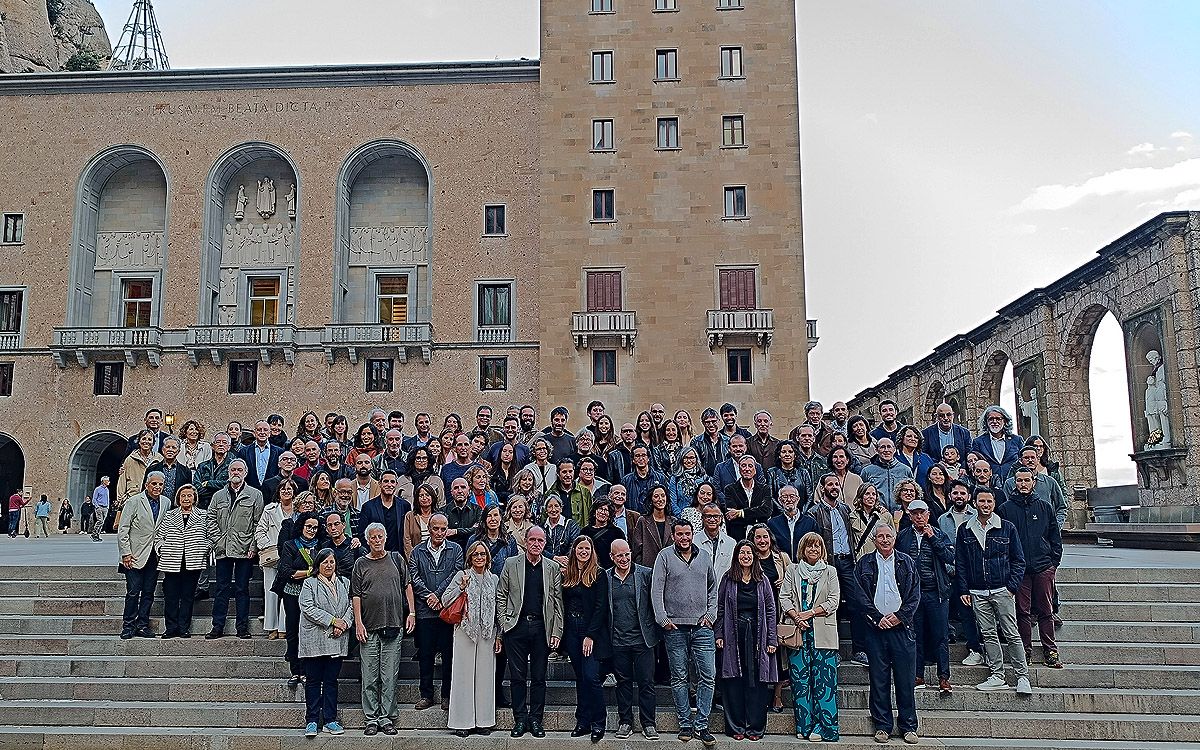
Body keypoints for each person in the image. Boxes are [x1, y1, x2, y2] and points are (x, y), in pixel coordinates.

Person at [954, 487, 1031, 695]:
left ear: (994, 503)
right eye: (981, 501)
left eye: (989, 501)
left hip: (1002, 589)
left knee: (1011, 633)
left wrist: (1012, 587)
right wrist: (963, 589)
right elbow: (960, 562)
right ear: (975, 502)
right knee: (988, 634)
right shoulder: (965, 529)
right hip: (978, 591)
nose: (985, 505)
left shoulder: (1007, 528)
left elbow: (1018, 560)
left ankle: (1022, 675)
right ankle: (998, 675)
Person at [651, 519, 718, 748]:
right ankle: (685, 724)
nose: (684, 537)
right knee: (679, 677)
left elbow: (712, 589)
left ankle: (702, 724)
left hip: (702, 628)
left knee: (707, 676)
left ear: (692, 534)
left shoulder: (704, 557)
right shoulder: (664, 557)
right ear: (673, 536)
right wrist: (663, 619)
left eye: (687, 533)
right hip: (675, 629)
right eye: (679, 534)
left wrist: (711, 616)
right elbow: (656, 589)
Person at [852, 524, 920, 745]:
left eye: (888, 536)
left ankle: (908, 726)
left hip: (902, 629)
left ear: (894, 538)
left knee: (905, 680)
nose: (884, 539)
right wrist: (876, 618)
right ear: (874, 540)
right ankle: (882, 726)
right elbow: (859, 596)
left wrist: (900, 616)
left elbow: (914, 595)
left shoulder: (907, 562)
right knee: (879, 680)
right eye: (880, 536)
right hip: (876, 629)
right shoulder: (864, 563)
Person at [497, 526, 564, 739]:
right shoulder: (511, 563)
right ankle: (520, 719)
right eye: (532, 539)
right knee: (517, 677)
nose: (536, 544)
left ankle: (536, 719)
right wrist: (505, 623)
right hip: (515, 628)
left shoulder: (552, 567)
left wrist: (556, 632)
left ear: (545, 544)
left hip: (541, 627)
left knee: (538, 677)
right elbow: (501, 595)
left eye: (540, 540)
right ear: (525, 542)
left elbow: (557, 602)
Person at [353, 522, 417, 736]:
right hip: (369, 628)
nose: (377, 540)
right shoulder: (360, 564)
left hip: (393, 625)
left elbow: (407, 585)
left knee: (389, 675)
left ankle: (386, 717)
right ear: (367, 540)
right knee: (370, 676)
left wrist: (412, 613)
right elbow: (356, 596)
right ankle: (371, 718)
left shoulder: (397, 559)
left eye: (380, 536)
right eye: (373, 537)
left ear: (386, 537)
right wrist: (358, 623)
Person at [998, 466, 1064, 669]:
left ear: (1034, 482)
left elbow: (1055, 537)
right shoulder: (1006, 509)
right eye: (1020, 481)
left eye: (1027, 480)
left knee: (1046, 610)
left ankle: (1050, 650)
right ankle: (1025, 650)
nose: (1023, 484)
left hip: (1043, 566)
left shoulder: (1044, 506)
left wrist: (1053, 563)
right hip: (1019, 570)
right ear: (1014, 483)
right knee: (1022, 611)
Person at [779, 531, 840, 742]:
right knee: (800, 681)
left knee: (824, 683)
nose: (813, 550)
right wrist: (796, 617)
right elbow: (784, 597)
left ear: (822, 549)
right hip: (798, 632)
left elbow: (834, 601)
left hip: (822, 632)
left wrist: (810, 613)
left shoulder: (830, 571)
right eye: (809, 546)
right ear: (802, 550)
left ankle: (826, 728)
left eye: (817, 546)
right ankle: (804, 726)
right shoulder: (792, 570)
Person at [715, 539, 778, 741]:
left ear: (754, 556)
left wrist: (771, 639)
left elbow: (770, 610)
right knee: (734, 681)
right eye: (742, 553)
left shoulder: (763, 580)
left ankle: (755, 727)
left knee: (757, 682)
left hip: (758, 637)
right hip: (733, 635)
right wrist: (719, 634)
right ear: (736, 556)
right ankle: (736, 727)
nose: (745, 556)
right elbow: (720, 608)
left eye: (749, 553)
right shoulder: (728, 578)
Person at [896, 499, 955, 694]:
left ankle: (944, 677)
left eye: (922, 513)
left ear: (928, 514)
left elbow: (949, 557)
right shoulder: (903, 536)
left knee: (941, 636)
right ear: (909, 516)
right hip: (913, 595)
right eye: (915, 513)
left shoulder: (938, 534)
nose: (919, 517)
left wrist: (933, 538)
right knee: (915, 635)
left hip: (936, 592)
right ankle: (917, 674)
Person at [443, 539, 502, 736]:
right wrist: (461, 587)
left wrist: (499, 634)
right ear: (470, 557)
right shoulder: (462, 575)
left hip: (487, 632)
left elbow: (498, 608)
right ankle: (462, 722)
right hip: (465, 631)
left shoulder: (493, 579)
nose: (479, 557)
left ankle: (484, 721)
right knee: (463, 676)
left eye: (482, 554)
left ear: (487, 557)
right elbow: (445, 599)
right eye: (476, 554)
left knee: (485, 677)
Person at [607, 538, 660, 741]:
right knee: (623, 683)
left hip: (642, 640)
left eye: (627, 554)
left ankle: (649, 723)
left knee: (647, 683)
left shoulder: (645, 574)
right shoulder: (606, 577)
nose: (624, 558)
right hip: (618, 640)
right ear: (612, 557)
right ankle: (625, 722)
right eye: (619, 555)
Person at [205, 459, 264, 640]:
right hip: (223, 549)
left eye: (239, 469)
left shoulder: (255, 495)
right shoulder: (218, 496)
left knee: (242, 589)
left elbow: (258, 523)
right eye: (233, 469)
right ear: (228, 472)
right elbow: (210, 519)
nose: (236, 472)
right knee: (222, 588)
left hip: (244, 549)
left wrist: (253, 547)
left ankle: (242, 627)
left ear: (245, 473)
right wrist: (218, 541)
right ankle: (218, 626)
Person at [409, 513, 463, 710]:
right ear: (429, 529)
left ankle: (447, 695)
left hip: (447, 610)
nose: (439, 532)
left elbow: (456, 574)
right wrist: (429, 596)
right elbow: (414, 577)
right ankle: (426, 695)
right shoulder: (417, 551)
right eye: (436, 528)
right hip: (425, 611)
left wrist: (439, 595)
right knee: (425, 655)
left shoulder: (455, 549)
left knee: (449, 655)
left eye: (443, 529)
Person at [299, 548, 353, 737]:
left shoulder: (345, 583)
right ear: (318, 565)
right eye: (325, 562)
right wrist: (332, 621)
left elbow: (351, 606)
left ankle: (330, 720)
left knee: (331, 681)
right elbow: (308, 608)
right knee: (313, 681)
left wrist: (343, 623)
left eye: (331, 562)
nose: (329, 565)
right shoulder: (309, 583)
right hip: (314, 639)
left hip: (337, 637)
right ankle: (312, 720)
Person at [562, 536, 611, 742]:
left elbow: (601, 607)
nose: (583, 551)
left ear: (592, 551)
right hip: (572, 629)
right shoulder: (569, 574)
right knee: (580, 677)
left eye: (587, 548)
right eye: (580, 548)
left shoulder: (598, 575)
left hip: (591, 630)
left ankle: (599, 722)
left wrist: (590, 635)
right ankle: (582, 721)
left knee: (591, 677)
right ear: (574, 550)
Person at [153, 484, 210, 639]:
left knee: (187, 596)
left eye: (189, 495)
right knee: (171, 595)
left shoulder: (203, 515)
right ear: (178, 498)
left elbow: (210, 536)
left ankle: (184, 627)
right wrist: (162, 549)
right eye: (183, 495)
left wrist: (204, 548)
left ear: (194, 498)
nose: (186, 498)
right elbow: (159, 536)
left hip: (193, 559)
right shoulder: (170, 515)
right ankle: (171, 627)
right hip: (172, 559)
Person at [117, 471, 169, 639]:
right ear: (147, 484)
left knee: (148, 592)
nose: (157, 487)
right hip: (135, 554)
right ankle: (128, 625)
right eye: (154, 484)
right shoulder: (133, 502)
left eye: (160, 484)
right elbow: (123, 529)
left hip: (154, 555)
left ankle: (142, 625)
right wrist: (126, 553)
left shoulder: (166, 502)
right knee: (133, 592)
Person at [276, 511, 322, 688]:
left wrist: (300, 574)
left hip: (314, 595)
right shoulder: (290, 545)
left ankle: (307, 671)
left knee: (309, 634)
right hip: (292, 594)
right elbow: (286, 571)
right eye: (308, 526)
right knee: (293, 632)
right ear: (301, 526)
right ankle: (295, 671)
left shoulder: (321, 545)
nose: (311, 530)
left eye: (315, 527)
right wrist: (310, 572)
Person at [255, 477, 293, 640]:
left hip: (291, 557)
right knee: (271, 592)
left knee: (287, 592)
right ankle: (271, 627)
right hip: (272, 556)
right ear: (278, 492)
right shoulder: (270, 509)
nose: (286, 491)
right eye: (283, 489)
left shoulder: (298, 511)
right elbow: (259, 531)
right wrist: (270, 546)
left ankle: (284, 627)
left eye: (289, 488)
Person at [722, 454, 772, 542]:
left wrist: (741, 512)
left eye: (750, 466)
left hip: (760, 535)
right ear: (739, 469)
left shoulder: (764, 489)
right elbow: (731, 515)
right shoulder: (730, 489)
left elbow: (767, 511)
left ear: (755, 470)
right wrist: (756, 512)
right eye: (743, 466)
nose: (747, 469)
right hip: (738, 535)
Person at [359, 469, 411, 553]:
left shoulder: (405, 506)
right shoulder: (368, 507)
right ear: (380, 483)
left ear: (396, 484)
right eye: (386, 481)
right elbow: (363, 534)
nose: (389, 485)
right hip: (376, 556)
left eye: (392, 482)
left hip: (398, 555)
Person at [970, 405, 1024, 481]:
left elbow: (1024, 460)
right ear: (986, 422)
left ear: (1005, 421)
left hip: (1014, 483)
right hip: (990, 485)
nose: (994, 422)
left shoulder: (1017, 440)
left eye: (998, 419)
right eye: (991, 419)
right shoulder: (978, 442)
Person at [767, 485, 818, 561]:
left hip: (805, 566)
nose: (789, 499)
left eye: (792, 496)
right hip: (782, 565)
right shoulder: (772, 523)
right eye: (784, 497)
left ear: (798, 499)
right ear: (780, 500)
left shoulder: (810, 522)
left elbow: (817, 545)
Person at [630, 484, 674, 568]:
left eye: (663, 496)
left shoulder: (673, 521)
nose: (660, 499)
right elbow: (637, 549)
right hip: (648, 568)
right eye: (656, 496)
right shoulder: (642, 521)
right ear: (651, 500)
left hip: (670, 568)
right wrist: (642, 566)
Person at [850, 483, 896, 560]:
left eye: (873, 494)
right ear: (861, 496)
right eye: (867, 494)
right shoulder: (853, 516)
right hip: (861, 559)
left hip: (881, 558)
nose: (871, 497)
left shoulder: (885, 516)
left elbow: (893, 537)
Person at [922, 403, 972, 469]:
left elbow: (968, 454)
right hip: (937, 473)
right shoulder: (926, 433)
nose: (945, 418)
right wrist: (936, 465)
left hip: (959, 473)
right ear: (936, 417)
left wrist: (963, 468)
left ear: (953, 415)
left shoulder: (964, 433)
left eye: (948, 415)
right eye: (941, 415)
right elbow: (924, 455)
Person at [238, 420, 283, 491]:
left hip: (272, 491)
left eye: (265, 430)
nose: (262, 432)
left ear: (269, 433)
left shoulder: (279, 452)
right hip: (250, 491)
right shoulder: (244, 451)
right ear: (254, 432)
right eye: (259, 430)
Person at [580, 499, 625, 570]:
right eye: (600, 509)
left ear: (610, 514)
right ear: (594, 512)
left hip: (611, 571)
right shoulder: (585, 531)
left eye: (606, 510)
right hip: (589, 570)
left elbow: (623, 552)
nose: (603, 512)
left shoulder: (617, 532)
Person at [403, 484, 438, 558]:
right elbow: (407, 541)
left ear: (432, 497)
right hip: (417, 557)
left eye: (427, 495)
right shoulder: (410, 516)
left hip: (435, 556)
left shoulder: (438, 516)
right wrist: (412, 560)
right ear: (417, 499)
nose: (424, 498)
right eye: (421, 496)